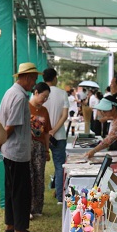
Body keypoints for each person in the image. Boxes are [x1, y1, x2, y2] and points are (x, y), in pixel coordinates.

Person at [0, 62, 41, 232]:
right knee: (21, 192)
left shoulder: (10, 92)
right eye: (34, 80)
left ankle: (11, 224)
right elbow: (10, 126)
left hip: (10, 151)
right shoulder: (20, 97)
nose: (34, 85)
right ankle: (20, 229)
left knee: (11, 189)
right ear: (27, 77)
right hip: (17, 152)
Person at [42, 68, 69, 205]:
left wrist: (47, 131)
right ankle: (60, 197)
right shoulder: (62, 93)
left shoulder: (39, 92)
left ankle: (38, 199)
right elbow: (65, 116)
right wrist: (54, 130)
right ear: (55, 78)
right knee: (59, 166)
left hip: (42, 136)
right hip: (59, 136)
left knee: (39, 168)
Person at [29, 82, 51, 218]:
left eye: (47, 97)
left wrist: (47, 150)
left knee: (39, 176)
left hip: (40, 147)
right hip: (27, 146)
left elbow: (47, 132)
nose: (45, 100)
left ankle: (37, 208)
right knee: (29, 176)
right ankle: (28, 208)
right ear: (36, 92)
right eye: (44, 96)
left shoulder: (44, 111)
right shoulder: (25, 107)